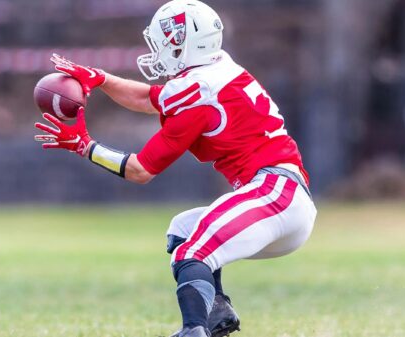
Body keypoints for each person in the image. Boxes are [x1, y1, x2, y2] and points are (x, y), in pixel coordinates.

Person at [35, 1, 317, 336]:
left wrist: (86, 147)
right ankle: (216, 315)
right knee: (183, 228)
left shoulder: (198, 92)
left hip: (273, 193)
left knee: (192, 251)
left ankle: (193, 330)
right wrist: (100, 78)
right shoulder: (215, 71)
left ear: (184, 43)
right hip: (279, 196)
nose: (158, 51)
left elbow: (140, 170)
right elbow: (148, 99)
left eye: (164, 43)